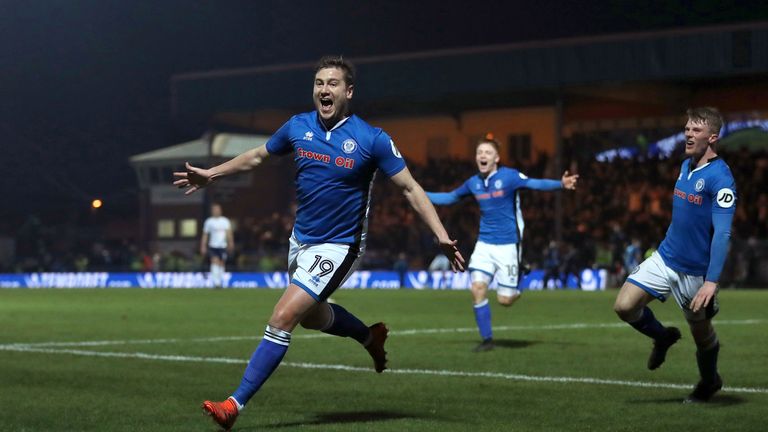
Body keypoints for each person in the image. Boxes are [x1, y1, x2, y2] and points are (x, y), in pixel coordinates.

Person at [173, 55, 465, 430]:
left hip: (339, 246)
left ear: (349, 91)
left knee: (283, 317)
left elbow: (410, 188)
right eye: (318, 83)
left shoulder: (372, 139)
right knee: (311, 318)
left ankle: (234, 405)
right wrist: (212, 174)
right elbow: (258, 156)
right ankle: (368, 335)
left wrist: (440, 235)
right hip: (301, 242)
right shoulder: (298, 127)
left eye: (332, 83)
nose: (323, 90)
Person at [613, 107, 736, 403]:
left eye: (696, 130)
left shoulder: (722, 179)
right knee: (624, 307)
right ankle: (662, 336)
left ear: (713, 137)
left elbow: (722, 233)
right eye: (687, 128)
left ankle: (709, 382)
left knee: (702, 335)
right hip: (666, 256)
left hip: (694, 272)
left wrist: (711, 282)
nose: (688, 134)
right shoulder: (685, 165)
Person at [426, 135, 578, 352]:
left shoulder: (509, 177)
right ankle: (487, 340)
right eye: (479, 153)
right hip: (485, 244)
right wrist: (419, 194)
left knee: (505, 300)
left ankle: (520, 276)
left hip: (509, 244)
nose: (483, 156)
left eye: (487, 153)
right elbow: (450, 198)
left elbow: (535, 183)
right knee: (477, 288)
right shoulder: (474, 183)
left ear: (496, 158)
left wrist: (560, 184)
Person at [201, 203, 234, 288]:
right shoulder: (209, 221)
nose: (216, 211)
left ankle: (219, 280)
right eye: (214, 209)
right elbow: (205, 235)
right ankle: (216, 282)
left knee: (221, 263)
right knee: (214, 261)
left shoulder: (225, 221)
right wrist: (203, 246)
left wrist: (230, 243)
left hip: (223, 246)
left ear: (220, 210)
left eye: (217, 209)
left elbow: (229, 233)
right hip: (213, 246)